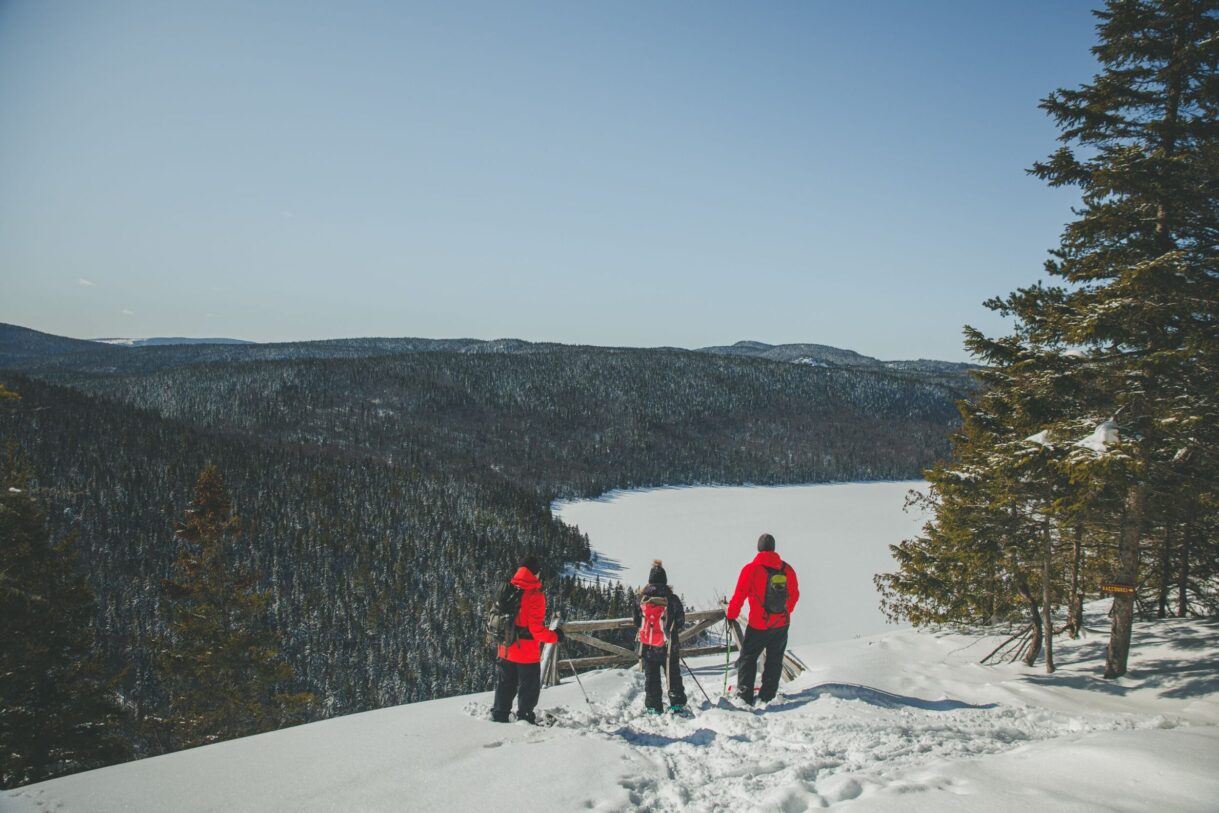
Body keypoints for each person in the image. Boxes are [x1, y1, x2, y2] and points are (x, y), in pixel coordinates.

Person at [726, 533, 799, 706]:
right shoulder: (787, 569)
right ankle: (768, 696)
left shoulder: (751, 569)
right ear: (774, 548)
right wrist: (784, 613)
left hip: (759, 624)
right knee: (775, 659)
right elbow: (794, 595)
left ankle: (744, 696)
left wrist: (731, 615)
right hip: (781, 624)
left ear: (758, 548)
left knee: (748, 657)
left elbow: (739, 596)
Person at [491, 555, 562, 724]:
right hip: (526, 651)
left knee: (505, 683)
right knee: (528, 687)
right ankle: (524, 717)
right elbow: (536, 630)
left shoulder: (507, 590)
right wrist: (555, 636)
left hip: (505, 647)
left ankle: (499, 714)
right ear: (535, 573)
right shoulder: (535, 596)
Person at [632, 560, 688, 716]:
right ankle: (676, 705)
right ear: (665, 580)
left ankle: (653, 706)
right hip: (668, 646)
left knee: (651, 677)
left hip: (648, 646)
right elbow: (680, 622)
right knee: (673, 675)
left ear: (649, 580)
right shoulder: (672, 599)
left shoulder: (640, 599)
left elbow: (636, 621)